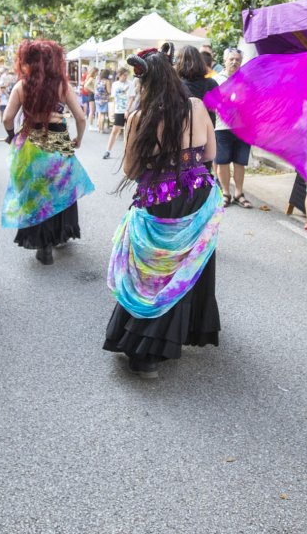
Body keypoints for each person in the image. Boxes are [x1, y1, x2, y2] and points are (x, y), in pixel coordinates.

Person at [103, 44, 223, 378]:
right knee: (186, 265)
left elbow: (129, 170)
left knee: (154, 271)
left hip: (160, 199)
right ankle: (180, 333)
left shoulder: (139, 117)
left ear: (143, 82)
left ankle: (147, 353)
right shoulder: (197, 107)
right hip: (199, 196)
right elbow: (210, 151)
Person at [1, 39, 94, 265]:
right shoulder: (62, 86)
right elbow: (81, 117)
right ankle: (61, 236)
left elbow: (7, 118)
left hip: (31, 144)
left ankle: (43, 246)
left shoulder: (21, 86)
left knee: (36, 194)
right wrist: (78, 139)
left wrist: (11, 134)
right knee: (63, 189)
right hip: (59, 143)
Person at [214, 48, 254, 208]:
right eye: (231, 59)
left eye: (237, 59)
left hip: (243, 127)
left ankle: (239, 193)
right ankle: (226, 193)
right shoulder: (216, 80)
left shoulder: (246, 80)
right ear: (224, 60)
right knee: (222, 162)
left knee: (240, 162)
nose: (234, 62)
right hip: (221, 127)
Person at [176, 45, 220, 125]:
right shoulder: (212, 83)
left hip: (183, 131)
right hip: (206, 131)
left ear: (180, 63)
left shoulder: (176, 85)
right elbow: (215, 107)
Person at [103, 66, 134, 159]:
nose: (125, 77)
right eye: (124, 75)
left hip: (128, 110)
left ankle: (127, 153)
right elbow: (114, 99)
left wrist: (127, 110)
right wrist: (113, 111)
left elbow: (131, 98)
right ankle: (108, 151)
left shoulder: (130, 84)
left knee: (128, 132)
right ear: (119, 75)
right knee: (115, 131)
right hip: (118, 110)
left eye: (126, 75)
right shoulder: (115, 84)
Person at [94, 69, 112, 133]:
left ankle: (99, 128)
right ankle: (102, 129)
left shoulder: (98, 80)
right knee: (102, 114)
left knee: (99, 113)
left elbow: (95, 88)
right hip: (104, 99)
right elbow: (109, 91)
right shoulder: (107, 81)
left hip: (97, 99)